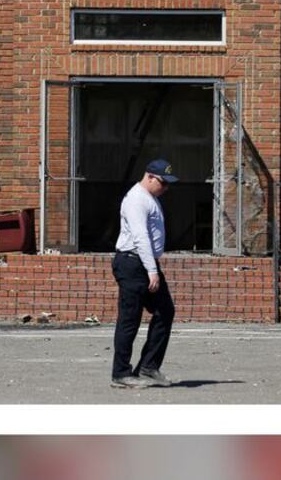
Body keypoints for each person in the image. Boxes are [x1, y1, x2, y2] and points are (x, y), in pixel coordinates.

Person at [111, 157, 177, 389]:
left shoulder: (150, 197)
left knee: (164, 311)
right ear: (149, 177)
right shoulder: (137, 200)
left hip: (144, 263)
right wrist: (152, 270)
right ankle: (121, 373)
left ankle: (149, 367)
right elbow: (140, 237)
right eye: (163, 182)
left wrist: (151, 267)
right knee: (130, 318)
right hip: (133, 263)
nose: (166, 187)